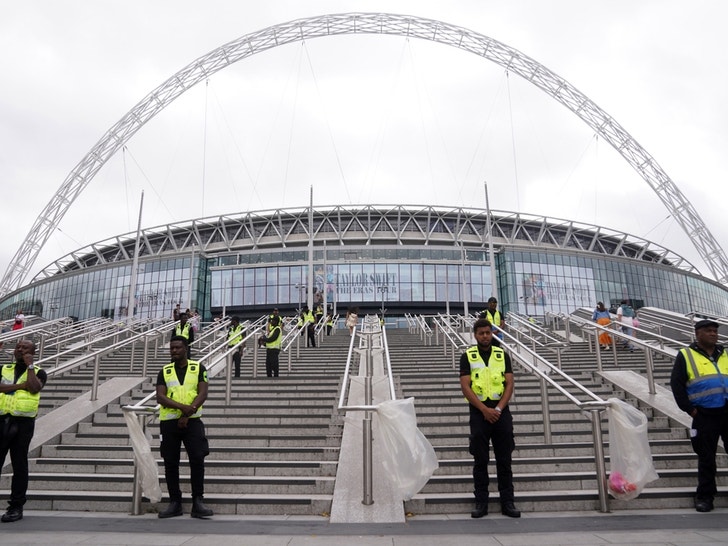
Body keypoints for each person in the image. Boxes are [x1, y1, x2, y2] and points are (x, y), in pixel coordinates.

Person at [459, 318, 520, 519]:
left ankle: (507, 502)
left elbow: (509, 384)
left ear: (492, 333)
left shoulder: (502, 355)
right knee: (480, 459)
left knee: (504, 459)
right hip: (479, 413)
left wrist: (499, 409)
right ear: (475, 335)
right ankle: (481, 502)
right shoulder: (468, 355)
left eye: (488, 332)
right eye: (481, 333)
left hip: (501, 413)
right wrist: (484, 410)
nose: (485, 336)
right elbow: (465, 386)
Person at [670, 319, 728, 513]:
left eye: (715, 331)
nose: (713, 334)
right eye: (709, 331)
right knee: (706, 458)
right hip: (704, 414)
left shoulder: (724, 353)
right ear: (698, 334)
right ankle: (705, 496)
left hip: (727, 411)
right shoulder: (686, 355)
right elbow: (677, 384)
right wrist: (690, 409)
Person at [155, 336, 213, 519]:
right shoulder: (164, 371)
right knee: (170, 462)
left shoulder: (198, 368)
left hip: (192, 422)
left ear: (185, 349)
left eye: (178, 348)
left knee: (197, 459)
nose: (174, 351)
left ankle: (198, 501)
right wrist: (182, 409)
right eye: (172, 348)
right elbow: (160, 397)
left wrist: (188, 413)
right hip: (169, 422)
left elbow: (203, 393)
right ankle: (175, 502)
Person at [0, 340, 47, 523]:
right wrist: (20, 386)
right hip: (2, 420)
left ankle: (16, 506)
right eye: (18, 347)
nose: (20, 350)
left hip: (23, 423)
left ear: (33, 352)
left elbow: (35, 388)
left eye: (24, 348)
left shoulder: (38, 371)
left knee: (19, 465)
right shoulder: (4, 368)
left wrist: (29, 367)